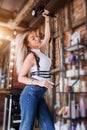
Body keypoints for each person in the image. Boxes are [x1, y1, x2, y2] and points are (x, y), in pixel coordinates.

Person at [15, 9, 55, 130]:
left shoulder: (40, 51)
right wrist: (40, 82)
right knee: (26, 127)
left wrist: (47, 19)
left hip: (39, 95)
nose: (37, 39)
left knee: (49, 127)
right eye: (33, 38)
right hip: (30, 94)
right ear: (27, 44)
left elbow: (47, 37)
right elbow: (21, 77)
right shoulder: (31, 56)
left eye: (37, 36)